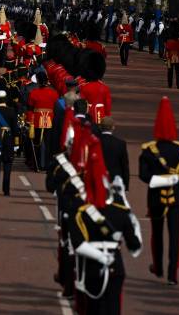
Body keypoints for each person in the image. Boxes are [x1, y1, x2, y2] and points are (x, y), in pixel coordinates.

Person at [69, 135, 142, 315]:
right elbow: (135, 247)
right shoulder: (121, 211)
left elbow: (78, 244)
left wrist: (100, 257)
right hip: (115, 264)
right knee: (113, 307)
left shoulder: (82, 212)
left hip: (92, 266)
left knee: (94, 308)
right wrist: (134, 223)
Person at [138, 97, 179, 286]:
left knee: (157, 233)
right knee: (175, 235)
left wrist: (160, 179)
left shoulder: (148, 150)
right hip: (176, 196)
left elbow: (143, 176)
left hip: (155, 196)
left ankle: (159, 267)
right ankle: (172, 274)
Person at [0, 89, 17, 196]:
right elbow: (15, 129)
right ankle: (6, 189)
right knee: (7, 165)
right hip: (8, 139)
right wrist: (16, 144)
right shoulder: (11, 111)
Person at [98, 115, 129, 192]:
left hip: (98, 179)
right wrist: (126, 185)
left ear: (100, 127)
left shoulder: (94, 142)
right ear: (113, 127)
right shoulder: (120, 143)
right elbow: (124, 166)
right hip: (115, 181)